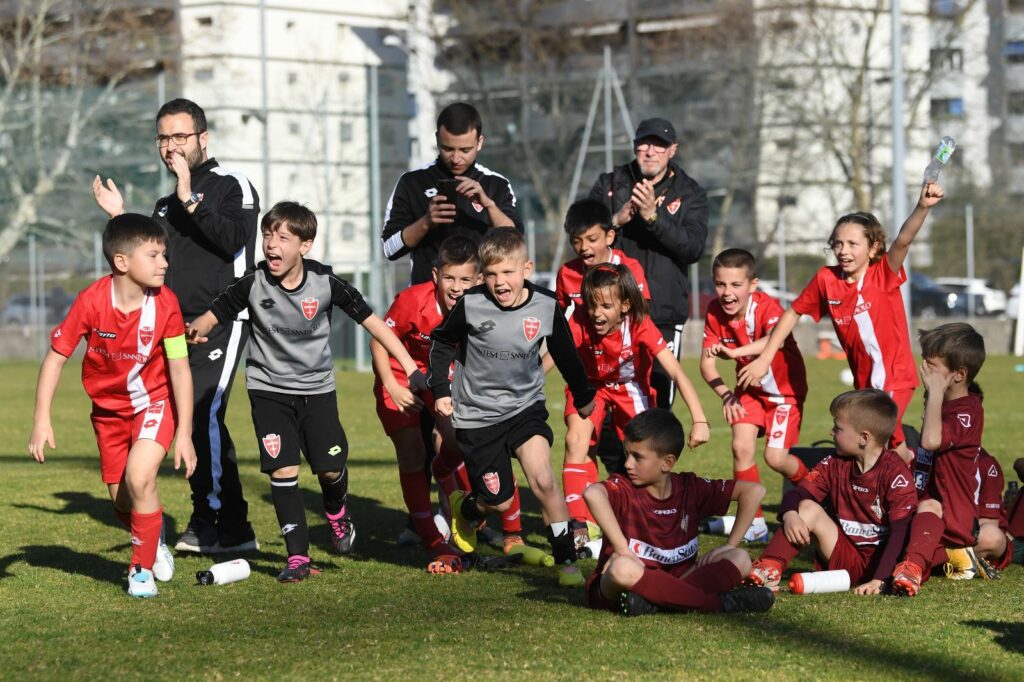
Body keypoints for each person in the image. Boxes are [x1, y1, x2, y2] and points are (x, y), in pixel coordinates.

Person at [186, 202, 423, 582]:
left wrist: (409, 370)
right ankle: (298, 558)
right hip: (268, 391)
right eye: (267, 235)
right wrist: (193, 331)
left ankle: (336, 510)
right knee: (283, 468)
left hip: (317, 391)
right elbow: (212, 315)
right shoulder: (252, 282)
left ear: (305, 245)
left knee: (329, 469)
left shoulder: (326, 283)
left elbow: (375, 325)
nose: (271, 244)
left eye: (283, 237)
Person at [92, 98, 260, 554]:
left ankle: (215, 522)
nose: (171, 146)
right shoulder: (165, 204)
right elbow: (147, 256)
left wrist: (189, 195)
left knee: (203, 414)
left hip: (220, 320)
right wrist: (118, 216)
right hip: (172, 326)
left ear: (203, 139)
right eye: (163, 137)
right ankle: (230, 524)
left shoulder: (232, 184)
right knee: (183, 417)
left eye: (180, 136)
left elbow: (234, 240)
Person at [28, 214, 197, 598]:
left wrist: (184, 433)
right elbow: (55, 357)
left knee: (140, 479)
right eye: (153, 255)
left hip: (154, 404)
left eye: (164, 254)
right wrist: (41, 419)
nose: (164, 263)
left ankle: (140, 570)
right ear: (122, 262)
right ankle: (153, 538)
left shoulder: (166, 304)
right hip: (108, 414)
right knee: (123, 501)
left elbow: (180, 368)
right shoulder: (91, 301)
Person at [428, 228, 596, 586]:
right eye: (490, 274)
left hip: (525, 408)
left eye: (507, 272)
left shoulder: (546, 306)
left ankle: (566, 561)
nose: (499, 282)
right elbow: (442, 341)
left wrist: (583, 396)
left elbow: (566, 355)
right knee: (499, 501)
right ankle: (465, 508)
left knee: (543, 480)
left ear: (527, 269)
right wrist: (440, 387)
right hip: (477, 416)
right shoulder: (471, 303)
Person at [738, 183, 946, 460]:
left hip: (895, 376)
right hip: (864, 382)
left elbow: (903, 241)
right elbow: (793, 313)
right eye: (838, 243)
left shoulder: (882, 273)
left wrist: (922, 207)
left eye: (852, 244)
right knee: (893, 448)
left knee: (873, 437)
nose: (843, 250)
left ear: (873, 249)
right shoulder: (827, 279)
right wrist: (765, 358)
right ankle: (914, 473)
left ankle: (888, 494)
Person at [371, 235, 526, 570]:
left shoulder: (488, 307)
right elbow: (380, 341)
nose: (457, 287)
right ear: (436, 276)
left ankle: (504, 527)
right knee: (412, 452)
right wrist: (390, 385)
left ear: (479, 279)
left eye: (465, 279)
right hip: (401, 375)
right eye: (450, 278)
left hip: (448, 378)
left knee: (462, 440)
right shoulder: (413, 301)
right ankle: (432, 539)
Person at [560, 264, 709, 538]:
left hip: (631, 387)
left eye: (605, 305)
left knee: (645, 452)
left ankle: (657, 511)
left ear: (625, 305)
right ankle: (580, 523)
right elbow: (558, 354)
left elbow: (675, 370)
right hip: (590, 385)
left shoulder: (640, 324)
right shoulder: (580, 319)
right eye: (592, 304)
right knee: (576, 441)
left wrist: (699, 419)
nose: (596, 313)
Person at [582, 409, 774, 616]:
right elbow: (593, 493)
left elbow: (754, 491)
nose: (628, 464)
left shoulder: (689, 488)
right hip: (625, 580)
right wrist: (622, 549)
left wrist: (730, 544)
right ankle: (716, 604)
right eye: (627, 454)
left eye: (638, 457)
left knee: (740, 558)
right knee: (622, 568)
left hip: (680, 578)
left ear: (667, 462)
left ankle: (655, 602)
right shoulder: (624, 487)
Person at [588, 117, 708, 410]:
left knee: (657, 406)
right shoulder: (610, 184)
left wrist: (654, 216)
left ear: (672, 150)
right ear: (634, 147)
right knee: (608, 405)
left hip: (662, 317)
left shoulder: (690, 192)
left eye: (660, 145)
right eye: (645, 144)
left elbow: (692, 248)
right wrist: (616, 220)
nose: (651, 151)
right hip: (611, 315)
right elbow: (583, 238)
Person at [747, 390, 917, 596]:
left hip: (882, 564)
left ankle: (879, 578)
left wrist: (879, 579)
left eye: (838, 428)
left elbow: (900, 534)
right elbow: (798, 493)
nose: (831, 432)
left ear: (864, 438)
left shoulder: (896, 474)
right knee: (806, 507)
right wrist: (790, 514)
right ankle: (770, 567)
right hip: (845, 556)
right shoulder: (834, 463)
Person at [700, 248, 809, 543]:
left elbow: (776, 337)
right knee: (740, 447)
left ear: (753, 284)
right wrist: (725, 395)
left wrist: (735, 352)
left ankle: (813, 485)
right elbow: (706, 363)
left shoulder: (766, 307)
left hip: (784, 394)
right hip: (749, 391)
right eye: (720, 284)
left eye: (736, 285)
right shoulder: (713, 311)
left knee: (775, 458)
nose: (727, 292)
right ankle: (756, 523)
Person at [890, 324, 994, 595]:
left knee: (899, 549)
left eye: (932, 366)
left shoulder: (968, 412)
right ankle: (953, 558)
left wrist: (935, 392)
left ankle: (923, 565)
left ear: (959, 375)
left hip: (951, 520)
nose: (924, 371)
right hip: (928, 511)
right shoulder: (942, 402)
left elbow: (930, 441)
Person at [382, 102, 522, 286]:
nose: (456, 158)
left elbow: (516, 243)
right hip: (428, 305)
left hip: (482, 303)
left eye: (465, 150)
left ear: (479, 142)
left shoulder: (496, 184)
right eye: (448, 149)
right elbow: (389, 250)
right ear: (437, 139)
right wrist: (426, 222)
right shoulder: (412, 182)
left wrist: (489, 206)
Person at [554, 198, 650, 315]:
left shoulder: (630, 268)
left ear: (609, 237)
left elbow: (641, 316)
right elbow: (556, 315)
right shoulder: (566, 273)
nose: (584, 247)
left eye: (592, 239)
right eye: (576, 241)